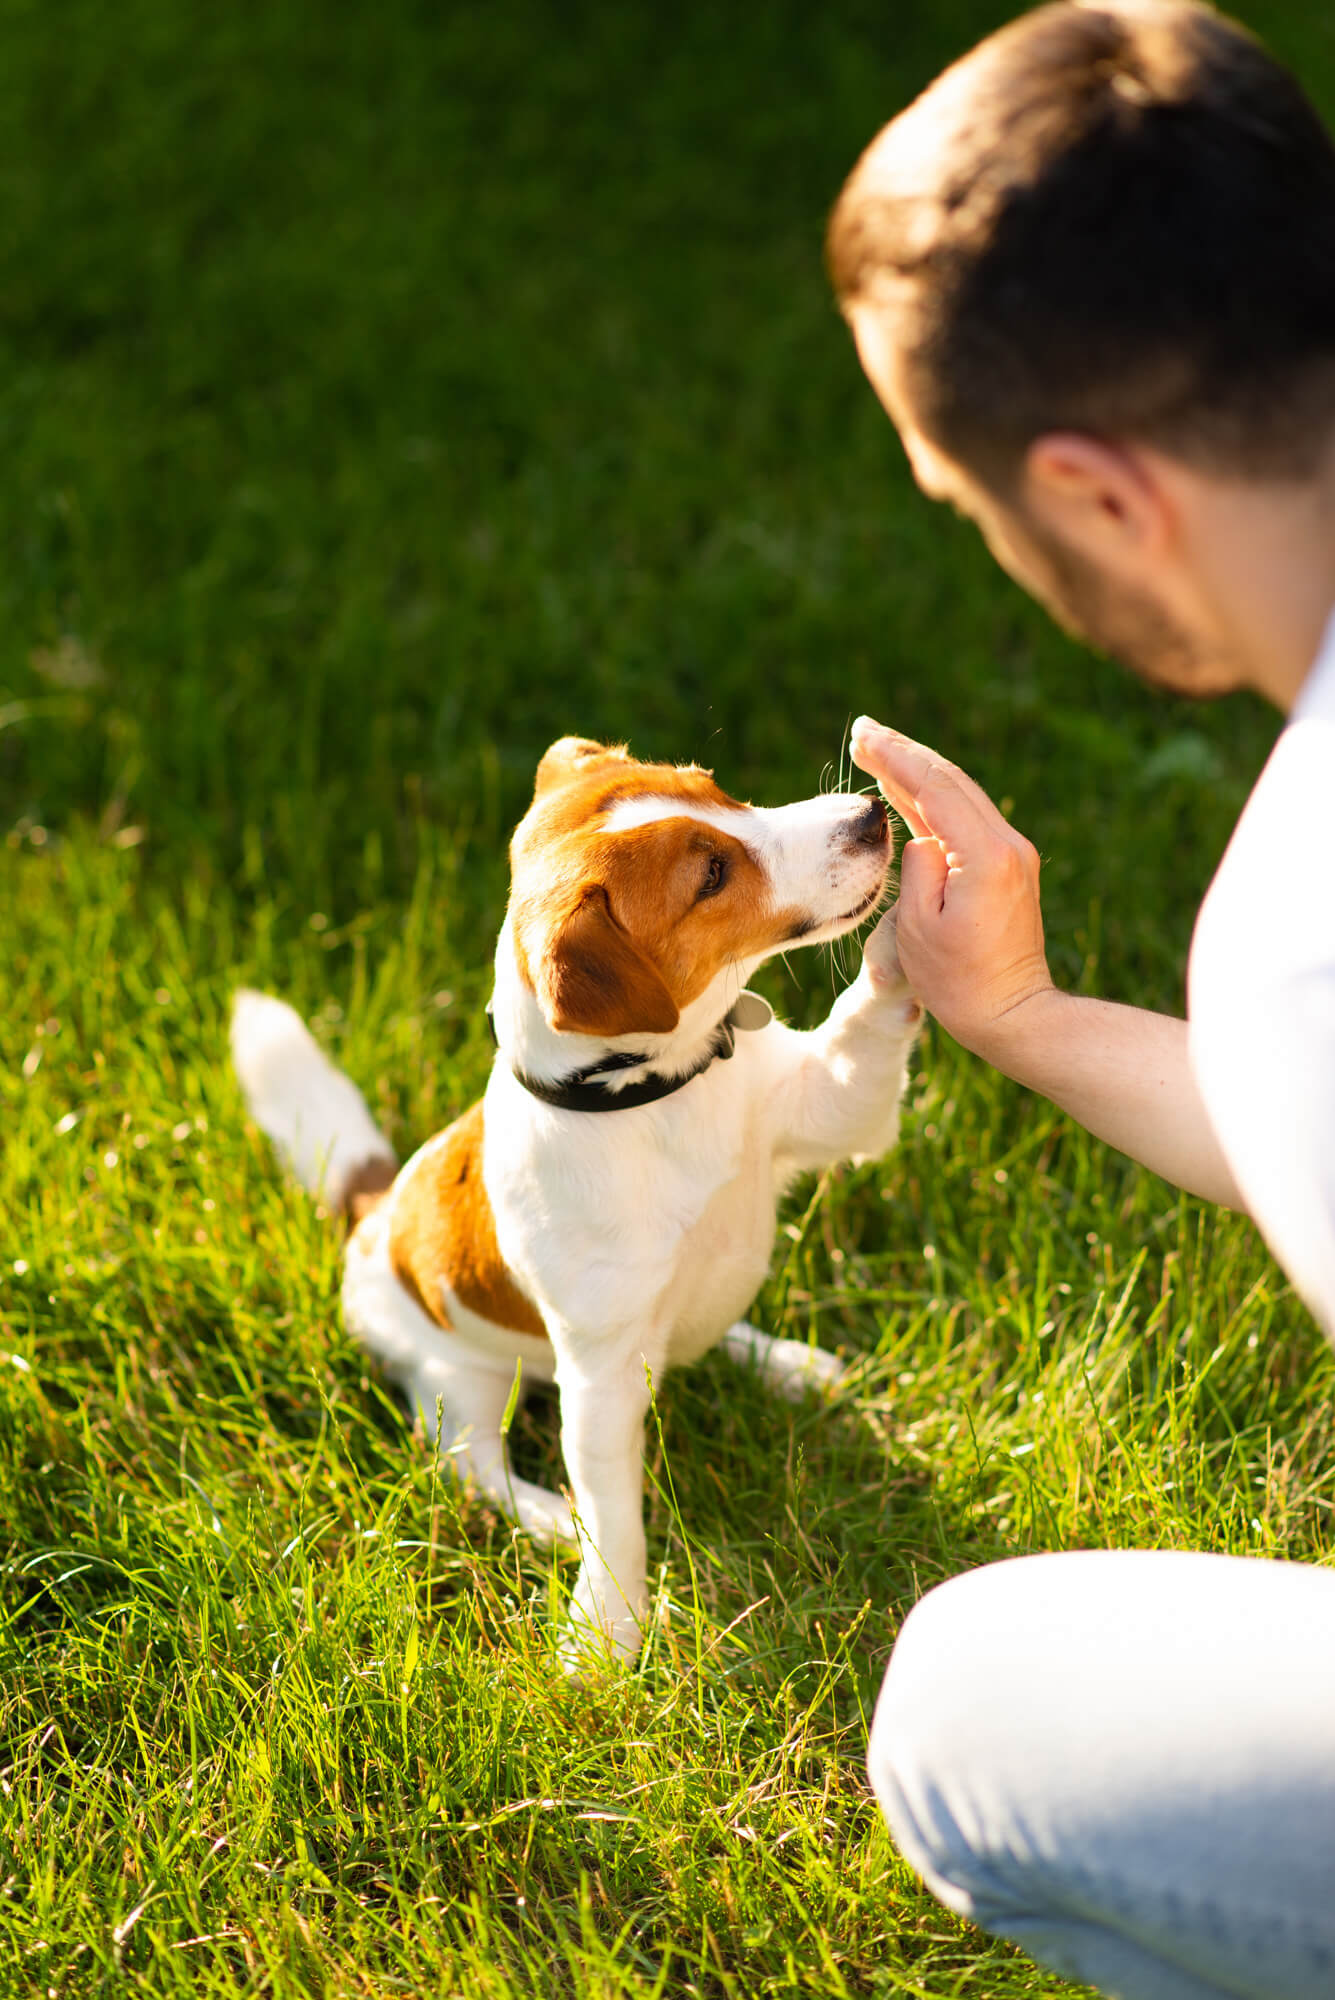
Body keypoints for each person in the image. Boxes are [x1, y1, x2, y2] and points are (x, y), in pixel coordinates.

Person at [826, 3, 1335, 1995]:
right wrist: (1025, 1017)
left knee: (971, 1710)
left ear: (1097, 493)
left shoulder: (1304, 919)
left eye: (976, 516)